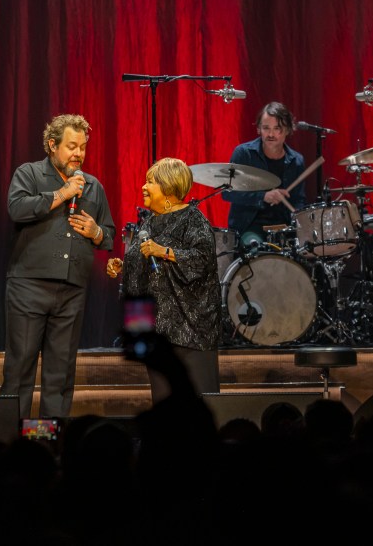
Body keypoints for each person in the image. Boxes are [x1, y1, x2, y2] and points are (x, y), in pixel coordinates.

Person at [0, 114, 116, 419]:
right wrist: (61, 194)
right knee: (20, 367)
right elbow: (17, 208)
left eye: (82, 147)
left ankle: (50, 440)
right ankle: (14, 441)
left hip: (71, 291)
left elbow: (109, 234)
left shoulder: (92, 186)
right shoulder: (30, 174)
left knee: (60, 373)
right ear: (53, 145)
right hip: (29, 287)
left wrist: (97, 233)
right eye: (71, 146)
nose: (78, 153)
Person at [106, 157, 220, 401]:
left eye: (150, 182)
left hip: (188, 331)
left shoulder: (193, 219)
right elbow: (147, 263)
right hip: (158, 330)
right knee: (164, 403)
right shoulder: (149, 221)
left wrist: (164, 251)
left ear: (168, 187)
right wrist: (123, 267)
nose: (143, 187)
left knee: (195, 404)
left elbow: (203, 260)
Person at [222, 101, 307, 246]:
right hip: (248, 228)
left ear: (287, 130)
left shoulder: (297, 161)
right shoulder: (244, 154)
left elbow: (299, 200)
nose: (271, 134)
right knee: (255, 250)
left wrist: (299, 215)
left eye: (277, 128)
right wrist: (263, 197)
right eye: (266, 128)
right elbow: (227, 193)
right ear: (259, 129)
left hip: (283, 229)